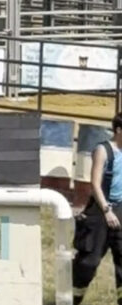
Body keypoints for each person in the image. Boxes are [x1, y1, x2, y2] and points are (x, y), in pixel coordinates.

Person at [73, 113, 122, 304]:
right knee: (89, 262)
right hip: (100, 210)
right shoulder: (103, 150)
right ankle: (73, 298)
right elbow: (95, 183)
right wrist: (107, 210)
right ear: (118, 130)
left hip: (120, 209)